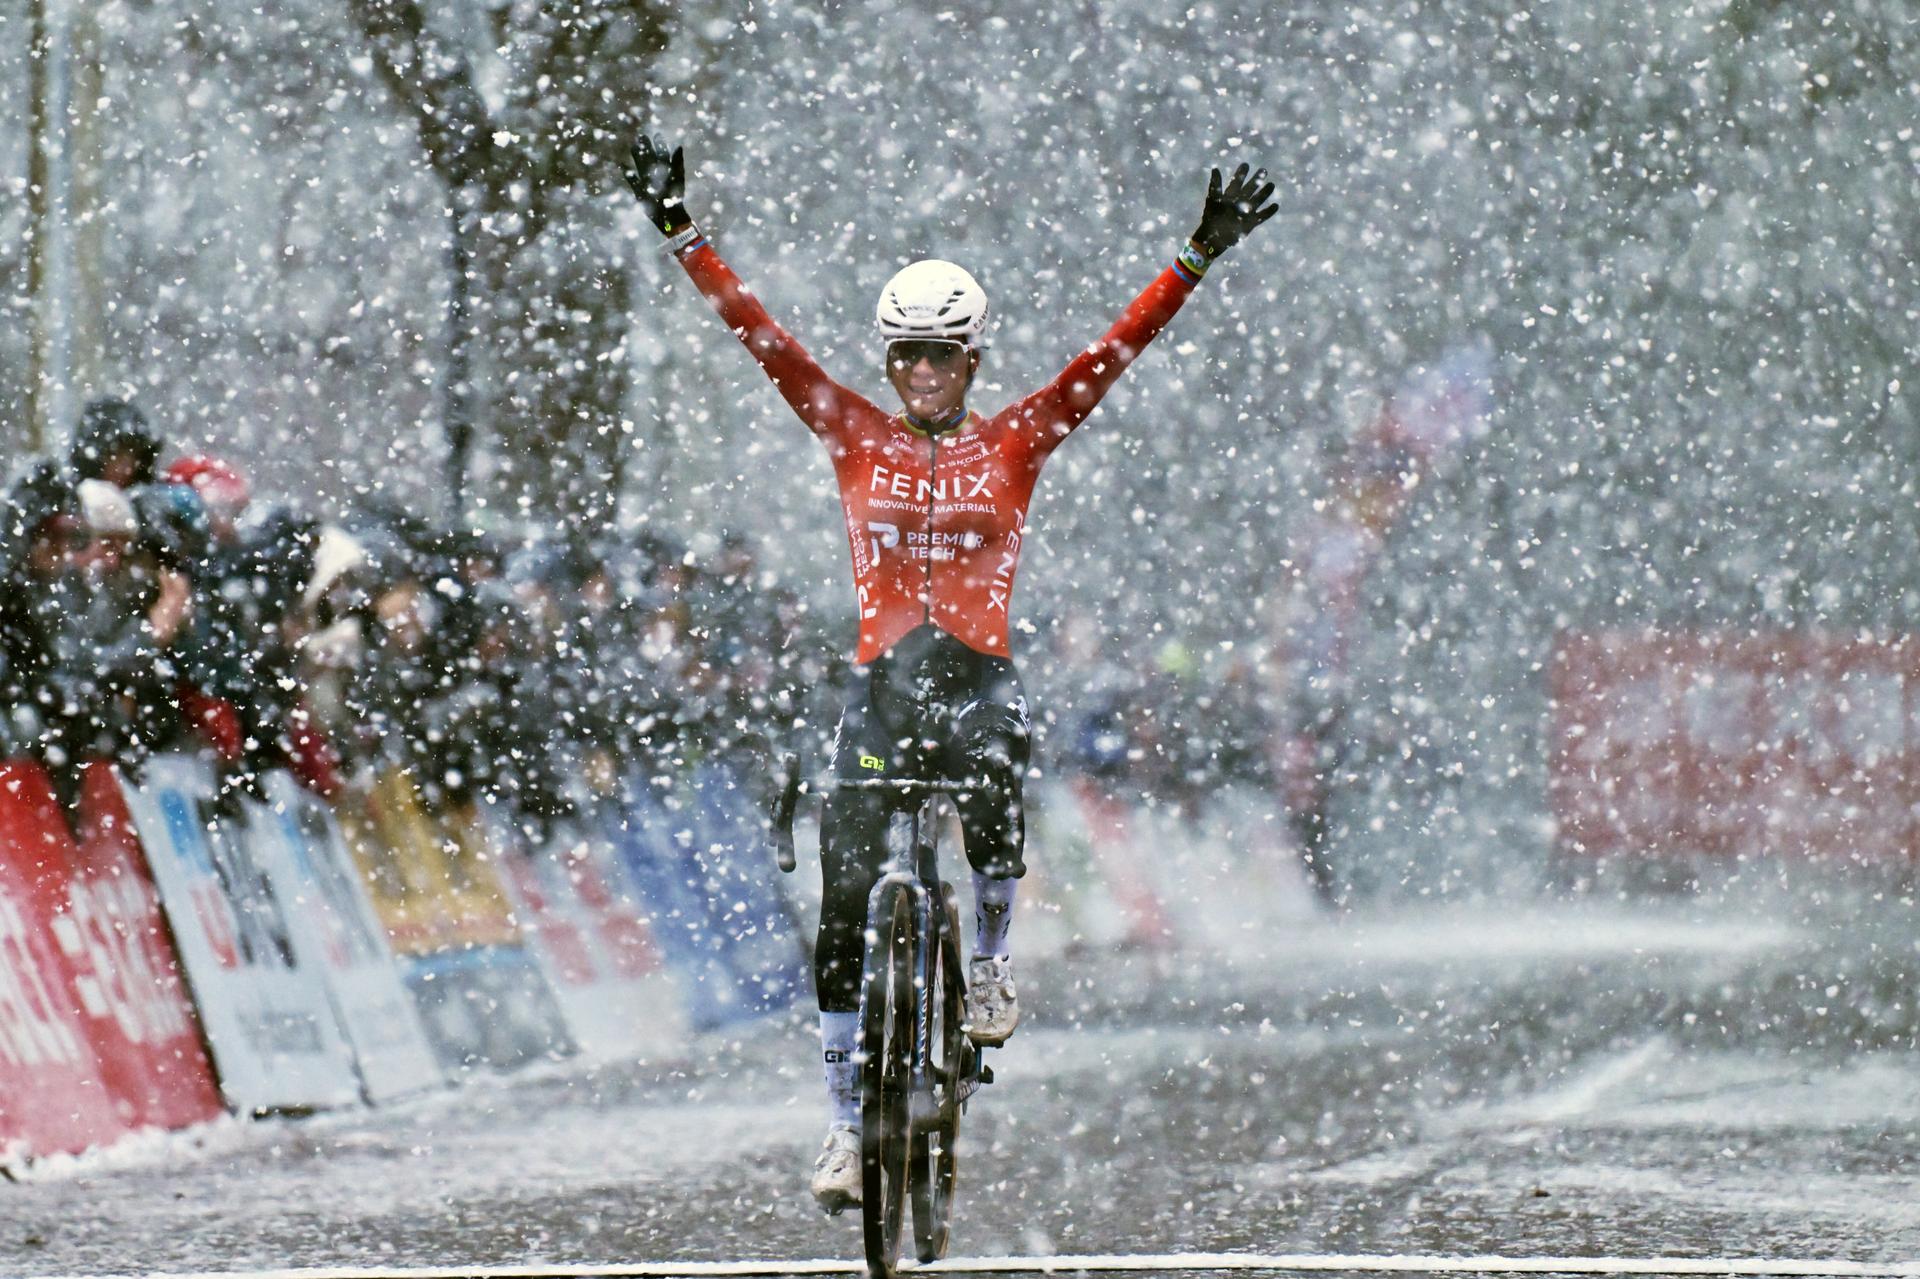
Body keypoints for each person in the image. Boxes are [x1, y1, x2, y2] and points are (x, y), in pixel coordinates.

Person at [623, 132, 1276, 1212]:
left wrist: (1194, 258)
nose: (922, 376)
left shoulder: (1017, 441)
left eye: (944, 356)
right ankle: (842, 1128)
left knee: (993, 772)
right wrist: (682, 232)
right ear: (888, 364)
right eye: (906, 358)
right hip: (880, 683)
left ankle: (990, 966)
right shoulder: (850, 432)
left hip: (975, 680)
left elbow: (1114, 351)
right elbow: (760, 338)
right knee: (841, 899)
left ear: (974, 360)